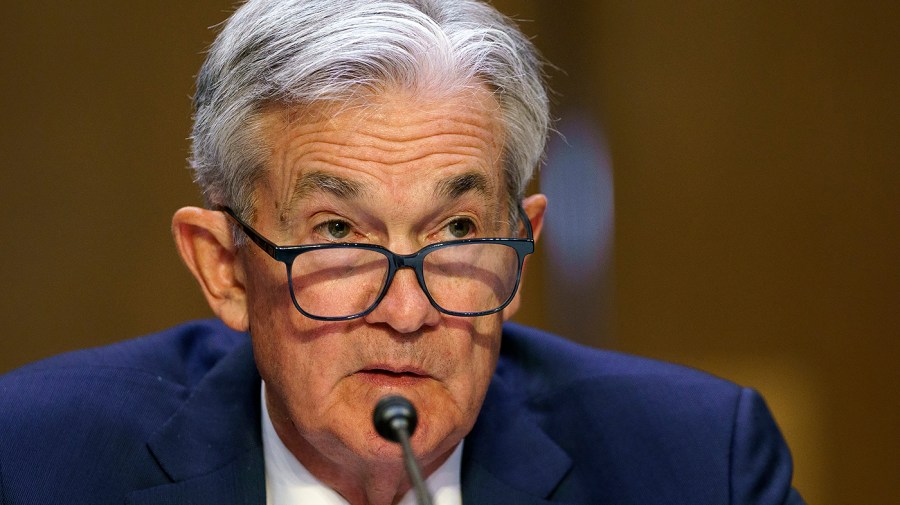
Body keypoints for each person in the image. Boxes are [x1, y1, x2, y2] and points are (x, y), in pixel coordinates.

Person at [0, 1, 805, 504]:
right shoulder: (34, 462)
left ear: (519, 249)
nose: (409, 310)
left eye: (457, 232)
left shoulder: (701, 465)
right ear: (223, 267)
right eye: (337, 234)